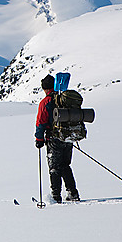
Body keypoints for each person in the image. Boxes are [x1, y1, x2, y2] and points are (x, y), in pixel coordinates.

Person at [35, 74, 80, 203]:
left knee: (54, 167)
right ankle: (73, 192)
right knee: (65, 165)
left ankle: (55, 196)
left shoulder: (46, 102)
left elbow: (40, 122)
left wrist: (39, 139)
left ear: (44, 88)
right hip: (68, 136)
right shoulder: (64, 99)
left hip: (54, 138)